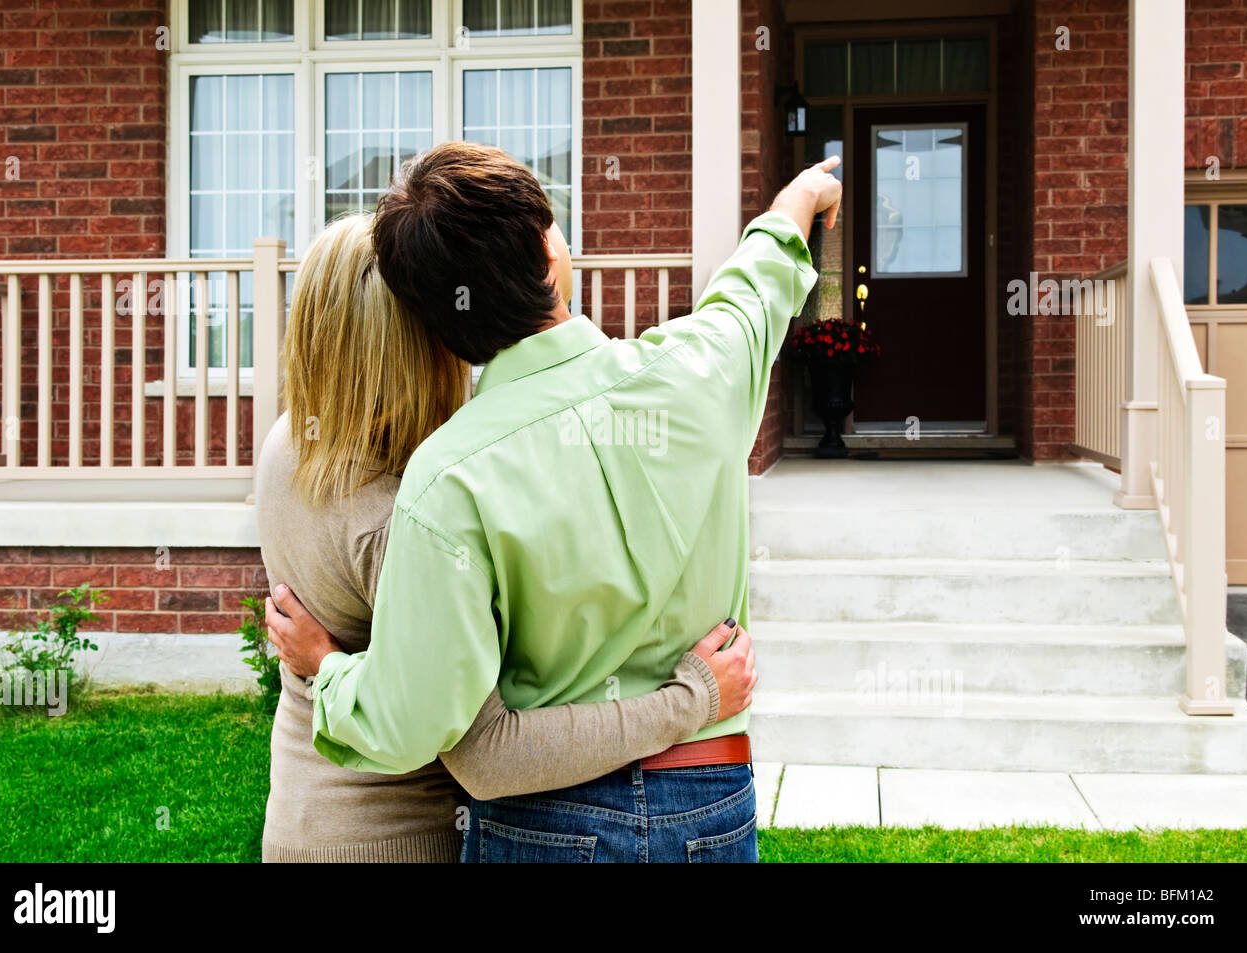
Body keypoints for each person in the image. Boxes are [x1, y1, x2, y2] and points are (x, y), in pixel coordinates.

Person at [267, 143, 841, 863]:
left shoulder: (446, 480)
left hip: (539, 825)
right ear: (548, 253)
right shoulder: (699, 368)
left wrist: (330, 667)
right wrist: (799, 198)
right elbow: (758, 284)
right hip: (707, 797)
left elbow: (411, 720)